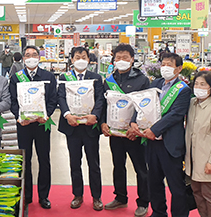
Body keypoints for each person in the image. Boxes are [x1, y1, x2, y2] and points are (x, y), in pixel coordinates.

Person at [99, 44, 150, 217]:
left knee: (141, 168)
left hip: (134, 133)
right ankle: (120, 197)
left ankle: (143, 202)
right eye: (118, 58)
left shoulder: (142, 80)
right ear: (113, 60)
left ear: (132, 59)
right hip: (115, 133)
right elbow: (104, 105)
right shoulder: (109, 80)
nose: (121, 61)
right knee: (118, 165)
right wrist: (103, 123)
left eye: (125, 57)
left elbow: (145, 105)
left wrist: (135, 125)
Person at [141, 52, 191, 217]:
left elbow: (176, 114)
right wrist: (136, 122)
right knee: (154, 181)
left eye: (169, 64)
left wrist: (154, 130)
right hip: (152, 143)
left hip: (170, 143)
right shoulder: (155, 83)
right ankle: (158, 212)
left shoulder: (183, 89)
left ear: (179, 68)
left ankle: (179, 214)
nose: (165, 68)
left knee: (175, 184)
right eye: (163, 64)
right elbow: (145, 105)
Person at [9, 45, 57, 209]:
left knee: (44, 159)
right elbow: (13, 101)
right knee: (25, 160)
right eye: (27, 55)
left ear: (39, 57)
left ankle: (44, 196)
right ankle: (27, 195)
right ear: (23, 59)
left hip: (43, 124)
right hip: (24, 125)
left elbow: (53, 99)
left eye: (34, 54)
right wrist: (18, 117)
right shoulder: (17, 77)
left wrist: (47, 115)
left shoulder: (48, 76)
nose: (31, 57)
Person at [58, 47, 106, 211]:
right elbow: (61, 97)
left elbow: (100, 99)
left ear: (88, 60)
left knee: (94, 163)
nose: (80, 59)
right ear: (72, 60)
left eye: (83, 57)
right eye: (77, 57)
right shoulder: (64, 77)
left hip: (90, 126)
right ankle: (77, 195)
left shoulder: (96, 78)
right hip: (72, 127)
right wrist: (66, 114)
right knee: (74, 163)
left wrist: (96, 116)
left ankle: (97, 197)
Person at [185, 71, 211, 217]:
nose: (198, 87)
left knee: (210, 194)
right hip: (192, 158)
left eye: (203, 84)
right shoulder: (192, 103)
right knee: (197, 192)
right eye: (196, 84)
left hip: (207, 158)